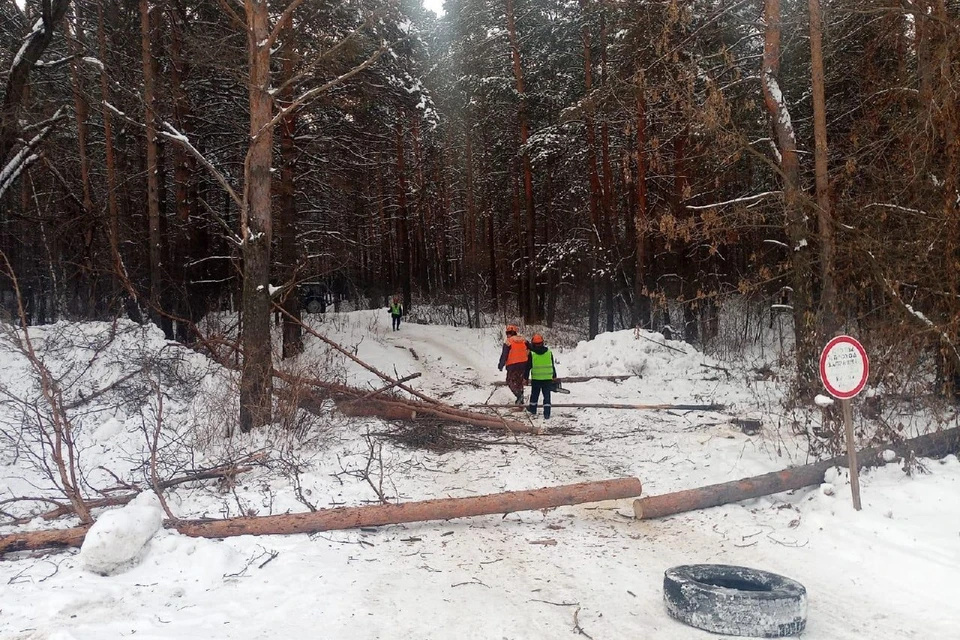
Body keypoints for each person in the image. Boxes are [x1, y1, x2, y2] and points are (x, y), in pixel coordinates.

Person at [525, 333, 557, 419]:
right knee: (547, 397)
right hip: (547, 379)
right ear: (542, 342)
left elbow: (528, 367)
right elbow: (552, 365)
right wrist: (554, 376)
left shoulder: (532, 354)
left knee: (534, 395)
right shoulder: (549, 352)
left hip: (536, 379)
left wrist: (525, 378)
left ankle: (533, 410)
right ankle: (547, 413)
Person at [498, 324, 529, 404]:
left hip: (512, 365)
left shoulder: (508, 342)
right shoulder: (523, 340)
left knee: (509, 381)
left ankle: (519, 396)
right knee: (519, 382)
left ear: (508, 333)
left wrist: (501, 365)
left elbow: (504, 354)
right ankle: (520, 401)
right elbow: (530, 349)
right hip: (523, 364)